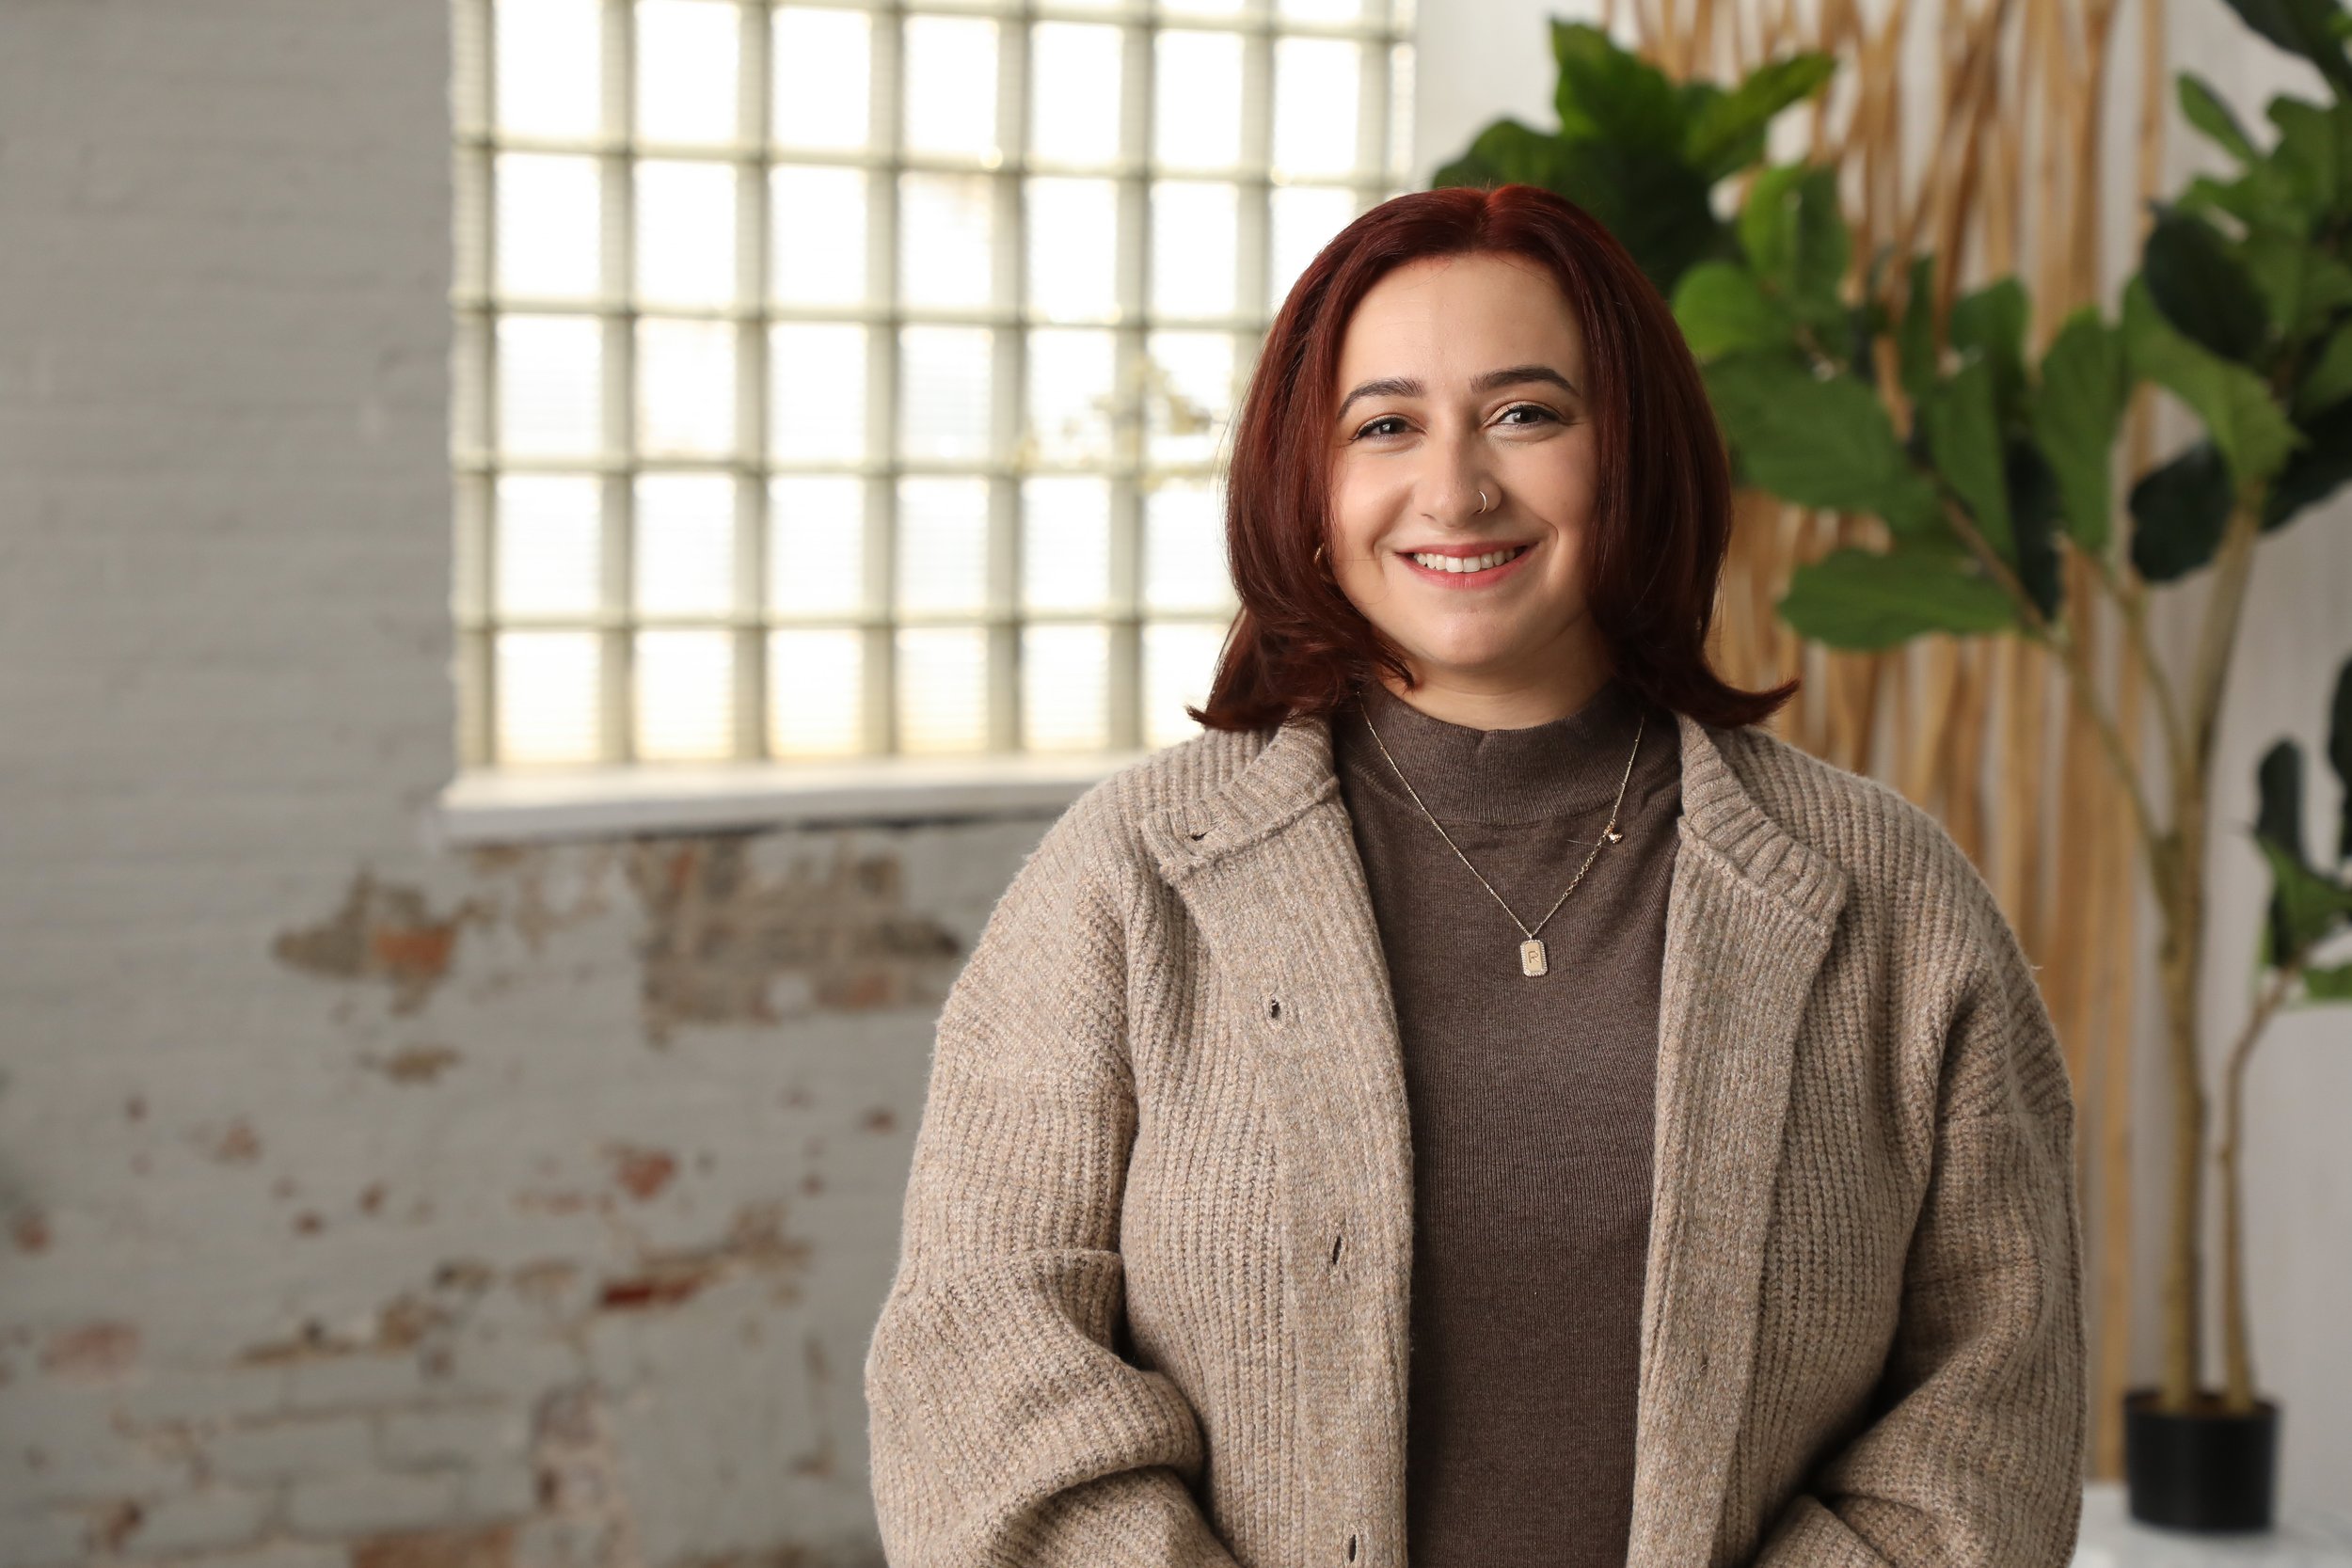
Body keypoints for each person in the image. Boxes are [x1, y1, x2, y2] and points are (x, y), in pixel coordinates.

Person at [862, 182, 2086, 1568]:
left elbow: (1997, 1397)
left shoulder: (1891, 900)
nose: (1457, 487)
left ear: (1631, 453)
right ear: (1306, 487)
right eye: (1385, 426)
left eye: (1527, 413)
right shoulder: (1128, 880)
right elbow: (979, 1355)